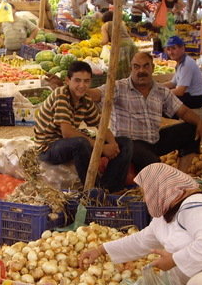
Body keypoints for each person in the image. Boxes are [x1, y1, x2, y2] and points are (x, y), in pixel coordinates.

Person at [87, 51, 202, 175]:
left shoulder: (161, 91)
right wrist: (79, 90)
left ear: (152, 68)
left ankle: (182, 175)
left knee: (191, 130)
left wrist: (200, 122)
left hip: (154, 141)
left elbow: (183, 111)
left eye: (146, 66)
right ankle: (159, 177)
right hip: (129, 144)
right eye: (136, 67)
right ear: (131, 69)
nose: (141, 71)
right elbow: (97, 94)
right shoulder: (119, 87)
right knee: (154, 166)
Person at [34, 61, 132, 192]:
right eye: (77, 81)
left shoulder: (85, 100)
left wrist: (113, 145)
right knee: (80, 143)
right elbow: (67, 133)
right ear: (68, 81)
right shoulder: (61, 95)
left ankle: (110, 188)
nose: (82, 85)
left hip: (66, 144)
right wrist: (102, 147)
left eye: (86, 81)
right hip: (49, 147)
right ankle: (92, 190)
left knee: (125, 143)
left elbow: (101, 125)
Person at [162, 36, 202, 109]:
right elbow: (172, 83)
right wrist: (154, 86)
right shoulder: (180, 63)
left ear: (182, 48)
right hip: (188, 96)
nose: (170, 52)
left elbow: (180, 91)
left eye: (173, 48)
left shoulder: (187, 64)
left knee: (163, 102)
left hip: (195, 99)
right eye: (168, 49)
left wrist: (161, 93)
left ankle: (177, 120)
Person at [100, 11, 137, 79]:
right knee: (132, 67)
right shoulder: (122, 22)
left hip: (121, 46)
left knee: (121, 69)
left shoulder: (105, 25)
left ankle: (122, 85)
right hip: (131, 44)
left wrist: (99, 43)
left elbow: (105, 41)